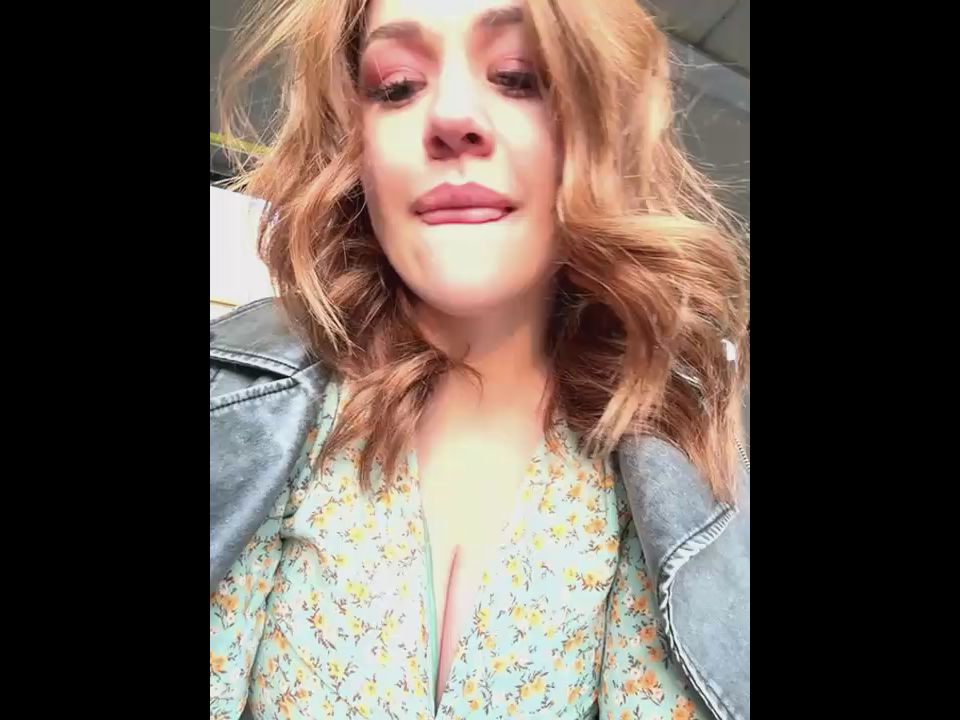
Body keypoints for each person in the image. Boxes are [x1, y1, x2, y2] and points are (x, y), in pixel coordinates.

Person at [209, 0, 750, 718]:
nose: (451, 116)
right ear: (355, 147)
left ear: (602, 130)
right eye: (398, 86)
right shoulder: (244, 408)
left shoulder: (684, 461)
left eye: (520, 77)